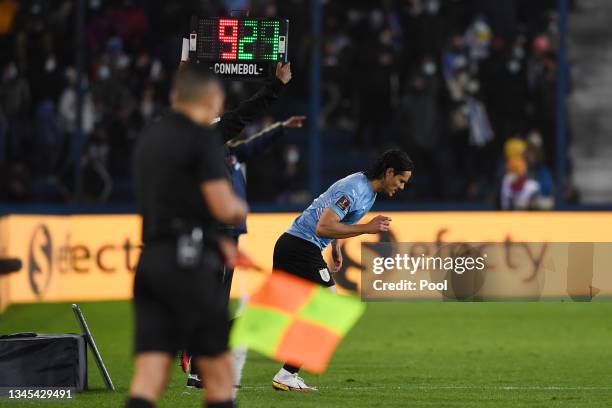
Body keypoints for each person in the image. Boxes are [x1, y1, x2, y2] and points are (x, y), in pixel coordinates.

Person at [126, 66, 248, 408]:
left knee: (149, 374)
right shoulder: (201, 139)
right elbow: (224, 207)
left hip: (150, 262)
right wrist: (238, 208)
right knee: (220, 375)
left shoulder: (150, 138)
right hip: (188, 264)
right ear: (211, 99)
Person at [270, 149, 414, 391]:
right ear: (389, 172)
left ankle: (202, 346)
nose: (401, 187)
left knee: (275, 315)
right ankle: (287, 374)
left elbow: (334, 222)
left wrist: (335, 248)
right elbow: (323, 226)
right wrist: (367, 228)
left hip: (294, 245)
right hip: (300, 247)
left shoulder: (367, 192)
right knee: (330, 306)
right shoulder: (355, 189)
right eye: (401, 181)